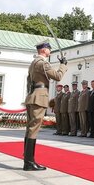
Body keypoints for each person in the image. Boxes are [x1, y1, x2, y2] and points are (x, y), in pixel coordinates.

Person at [24, 41, 67, 171]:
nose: (50, 51)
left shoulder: (33, 63)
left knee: (30, 128)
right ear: (43, 50)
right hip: (39, 97)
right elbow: (57, 76)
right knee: (33, 129)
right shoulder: (43, 63)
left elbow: (28, 82)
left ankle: (28, 159)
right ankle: (29, 162)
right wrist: (63, 65)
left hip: (32, 96)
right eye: (49, 48)